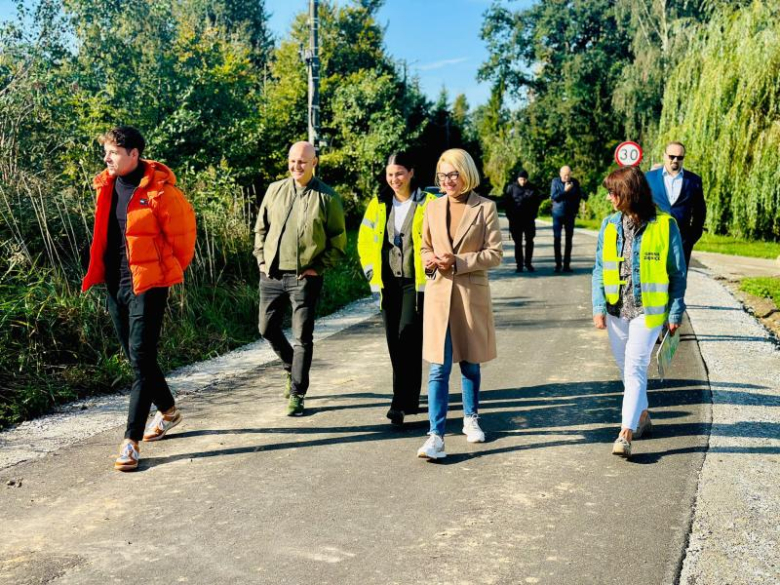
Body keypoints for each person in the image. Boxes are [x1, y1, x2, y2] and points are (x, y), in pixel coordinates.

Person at [82, 126, 197, 472]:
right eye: (106, 151)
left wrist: (163, 271)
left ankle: (129, 442)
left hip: (148, 284)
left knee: (142, 356)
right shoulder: (106, 185)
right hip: (115, 283)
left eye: (113, 152)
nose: (107, 158)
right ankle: (169, 412)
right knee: (136, 358)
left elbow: (183, 238)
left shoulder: (160, 191)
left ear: (134, 154)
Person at [592, 166, 687, 459]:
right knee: (626, 370)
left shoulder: (665, 225)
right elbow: (598, 269)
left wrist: (674, 313)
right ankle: (642, 416)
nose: (609, 197)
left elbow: (677, 273)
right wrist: (598, 306)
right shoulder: (609, 225)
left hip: (648, 310)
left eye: (613, 192)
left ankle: (626, 433)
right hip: (616, 309)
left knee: (634, 369)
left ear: (629, 192)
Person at [416, 149, 503, 460]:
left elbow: (494, 254)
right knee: (438, 367)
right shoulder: (432, 208)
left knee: (469, 362)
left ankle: (471, 418)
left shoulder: (485, 208)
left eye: (453, 174)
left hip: (470, 294)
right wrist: (430, 261)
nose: (447, 181)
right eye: (442, 176)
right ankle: (436, 436)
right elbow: (424, 246)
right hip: (439, 294)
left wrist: (459, 261)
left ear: (466, 173)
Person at [253, 141, 346, 417]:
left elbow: (338, 242)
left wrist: (318, 267)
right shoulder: (274, 190)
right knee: (265, 328)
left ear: (314, 162)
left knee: (302, 337)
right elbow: (261, 229)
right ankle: (291, 365)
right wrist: (260, 260)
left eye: (303, 161)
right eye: (293, 161)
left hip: (304, 278)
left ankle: (297, 393)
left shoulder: (328, 198)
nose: (296, 166)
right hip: (271, 274)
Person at [357, 153, 437, 426]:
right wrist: (371, 274)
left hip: (415, 285)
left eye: (399, 173)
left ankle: (399, 403)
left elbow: (438, 243)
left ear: (412, 172)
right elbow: (365, 241)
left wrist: (432, 277)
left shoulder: (429, 203)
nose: (394, 179)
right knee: (395, 344)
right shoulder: (378, 204)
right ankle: (407, 399)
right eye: (390, 174)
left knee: (407, 339)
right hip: (388, 283)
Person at [645, 141, 706, 268]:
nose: (675, 160)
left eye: (679, 157)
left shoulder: (693, 181)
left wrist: (691, 238)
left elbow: (699, 211)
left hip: (682, 241)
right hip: (653, 240)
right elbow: (640, 205)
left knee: (677, 284)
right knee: (653, 281)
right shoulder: (649, 178)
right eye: (671, 156)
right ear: (664, 155)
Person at [550, 165, 586, 272]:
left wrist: (575, 209)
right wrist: (565, 191)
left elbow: (578, 196)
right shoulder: (555, 182)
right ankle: (558, 265)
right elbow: (554, 197)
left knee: (568, 240)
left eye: (569, 175)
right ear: (560, 174)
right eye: (565, 175)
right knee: (557, 239)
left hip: (570, 215)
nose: (567, 177)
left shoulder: (575, 182)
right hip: (557, 214)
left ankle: (566, 265)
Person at [504, 169, 541, 272]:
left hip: (529, 220)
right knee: (518, 243)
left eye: (524, 179)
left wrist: (534, 215)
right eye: (521, 179)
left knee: (530, 241)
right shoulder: (511, 188)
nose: (523, 181)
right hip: (516, 220)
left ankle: (528, 263)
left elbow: (537, 202)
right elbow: (507, 204)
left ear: (527, 179)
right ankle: (519, 265)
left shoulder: (532, 188)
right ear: (518, 179)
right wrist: (510, 217)